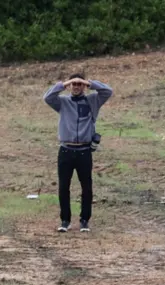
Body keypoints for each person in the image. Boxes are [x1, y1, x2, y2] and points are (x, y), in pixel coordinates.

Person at [43, 73, 113, 232]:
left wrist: (90, 83)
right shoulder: (63, 102)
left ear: (83, 86)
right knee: (63, 187)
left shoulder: (92, 101)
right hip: (66, 150)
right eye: (73, 84)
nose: (76, 86)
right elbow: (47, 97)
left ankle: (84, 220)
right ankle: (65, 220)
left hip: (84, 150)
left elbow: (108, 92)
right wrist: (63, 84)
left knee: (86, 187)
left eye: (79, 84)